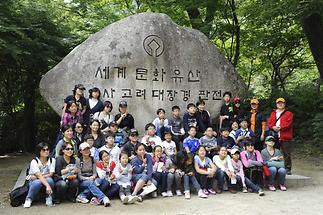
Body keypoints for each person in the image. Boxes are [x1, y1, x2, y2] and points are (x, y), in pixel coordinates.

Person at [75, 142, 110, 206]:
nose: (86, 151)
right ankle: (103, 198)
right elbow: (79, 176)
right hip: (83, 181)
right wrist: (88, 178)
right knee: (90, 183)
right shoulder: (78, 160)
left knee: (101, 181)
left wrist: (93, 176)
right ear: (81, 151)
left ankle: (82, 195)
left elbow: (94, 172)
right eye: (84, 149)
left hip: (92, 178)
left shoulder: (93, 159)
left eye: (88, 149)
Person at [23, 142, 55, 208]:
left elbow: (51, 174)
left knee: (50, 180)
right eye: (43, 150)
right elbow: (39, 175)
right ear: (39, 151)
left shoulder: (52, 160)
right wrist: (47, 184)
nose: (46, 151)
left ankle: (48, 197)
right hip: (32, 182)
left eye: (47, 149)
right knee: (37, 182)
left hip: (41, 178)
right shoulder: (34, 161)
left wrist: (38, 177)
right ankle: (29, 199)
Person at [268, 97, 293, 175]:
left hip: (285, 136)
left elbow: (288, 124)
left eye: (282, 103)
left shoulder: (289, 113)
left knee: (286, 153)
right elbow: (269, 123)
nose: (280, 104)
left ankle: (288, 168)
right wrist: (273, 127)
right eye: (278, 103)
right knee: (276, 152)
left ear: (284, 104)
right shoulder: (273, 113)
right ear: (276, 104)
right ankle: (277, 166)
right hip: (275, 136)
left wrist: (280, 127)